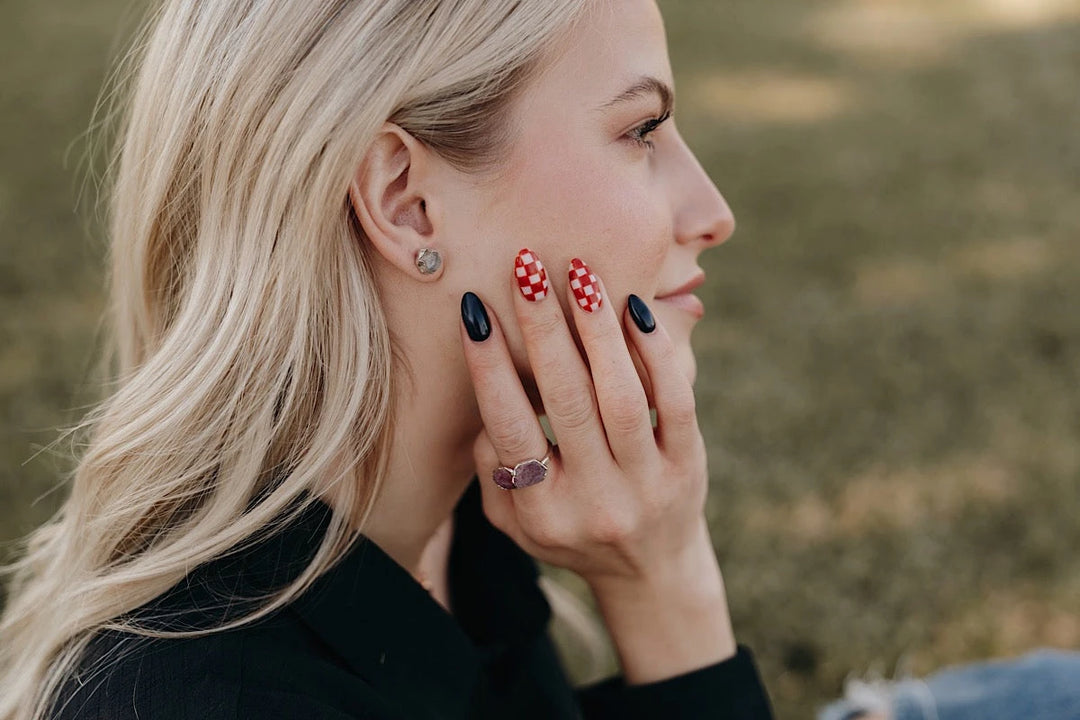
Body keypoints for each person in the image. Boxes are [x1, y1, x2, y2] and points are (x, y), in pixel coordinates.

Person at [0, 1, 774, 718]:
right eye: (641, 130)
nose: (714, 213)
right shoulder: (209, 698)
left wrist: (658, 578)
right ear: (404, 199)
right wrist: (670, 598)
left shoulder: (469, 532)